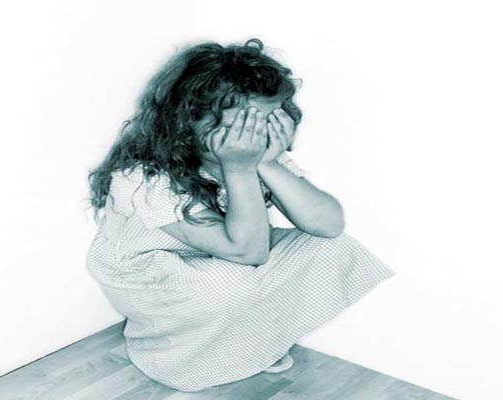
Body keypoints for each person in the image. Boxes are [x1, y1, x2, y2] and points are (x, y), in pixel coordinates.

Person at [85, 38, 395, 392]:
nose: (254, 135)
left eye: (267, 120)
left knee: (330, 249)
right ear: (190, 120)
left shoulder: (250, 153)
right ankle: (160, 352)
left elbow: (329, 225)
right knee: (233, 282)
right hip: (147, 273)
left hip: (220, 255)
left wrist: (267, 163)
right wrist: (240, 169)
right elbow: (248, 252)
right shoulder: (143, 177)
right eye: (243, 124)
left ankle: (247, 341)